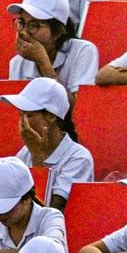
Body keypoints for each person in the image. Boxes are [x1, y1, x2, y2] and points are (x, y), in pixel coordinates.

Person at [4, 76, 90, 209]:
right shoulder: (25, 153)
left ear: (51, 116)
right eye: (21, 115)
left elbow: (49, 213)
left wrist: (37, 158)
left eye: (29, 115)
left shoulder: (79, 158)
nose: (23, 123)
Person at [7, 0, 98, 88]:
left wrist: (43, 64)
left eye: (34, 25)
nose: (24, 32)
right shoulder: (17, 63)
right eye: (22, 23)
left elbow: (78, 98)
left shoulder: (83, 51)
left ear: (58, 31)